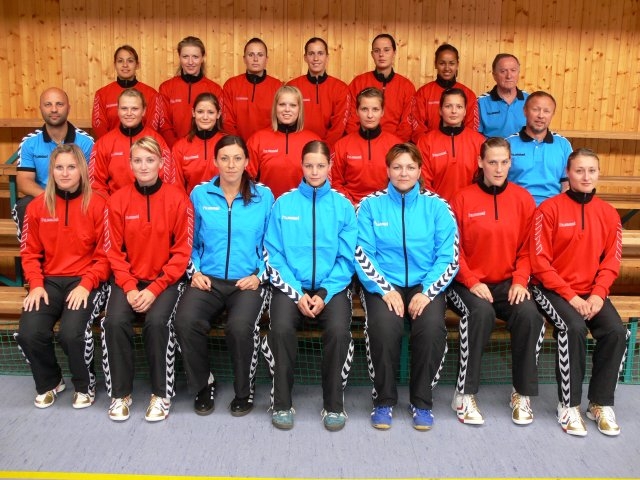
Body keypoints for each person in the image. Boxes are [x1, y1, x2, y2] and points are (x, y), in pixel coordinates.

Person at [355, 143, 459, 431]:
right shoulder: (369, 206)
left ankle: (422, 402)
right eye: (397, 167)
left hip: (425, 284)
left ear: (420, 170)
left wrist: (427, 292)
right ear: (387, 170)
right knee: (383, 327)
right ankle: (384, 400)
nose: (404, 173)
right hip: (383, 283)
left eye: (410, 167)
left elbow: (448, 256)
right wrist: (384, 289)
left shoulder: (438, 206)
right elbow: (362, 252)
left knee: (431, 329)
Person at [174, 136, 274, 417]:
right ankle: (203, 384)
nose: (231, 165)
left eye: (237, 158)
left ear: (247, 162)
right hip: (208, 279)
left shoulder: (264, 196)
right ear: (215, 161)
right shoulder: (200, 194)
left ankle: (244, 391)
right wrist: (194, 272)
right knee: (185, 321)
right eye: (225, 158)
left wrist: (259, 275)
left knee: (240, 327)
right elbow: (188, 241)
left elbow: (274, 243)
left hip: (248, 281)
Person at [530, 148, 627, 437]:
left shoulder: (609, 214)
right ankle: (568, 405)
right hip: (552, 290)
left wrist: (598, 294)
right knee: (572, 327)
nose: (586, 177)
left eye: (591, 171)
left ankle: (600, 403)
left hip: (591, 292)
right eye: (579, 170)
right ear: (568, 174)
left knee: (616, 332)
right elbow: (540, 262)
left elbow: (611, 261)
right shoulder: (548, 209)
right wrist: (571, 296)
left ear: (599, 174)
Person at [447, 137, 544, 426]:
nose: (498, 168)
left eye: (504, 162)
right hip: (467, 283)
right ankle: (464, 394)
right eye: (492, 162)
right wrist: (471, 280)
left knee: (529, 315)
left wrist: (520, 281)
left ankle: (521, 394)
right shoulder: (462, 198)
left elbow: (528, 248)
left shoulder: (523, 199)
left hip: (508, 283)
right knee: (481, 313)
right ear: (480, 163)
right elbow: (453, 248)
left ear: (510, 163)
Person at [262, 140, 357, 431]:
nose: (314, 171)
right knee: (280, 329)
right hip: (292, 287)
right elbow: (273, 253)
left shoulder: (343, 206)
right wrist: (296, 292)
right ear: (301, 166)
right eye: (309, 165)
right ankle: (281, 402)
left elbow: (347, 258)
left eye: (320, 165)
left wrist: (325, 293)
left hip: (332, 288)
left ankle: (334, 405)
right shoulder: (284, 204)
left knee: (339, 332)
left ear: (330, 166)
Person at [102, 137, 192, 422]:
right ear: (129, 164)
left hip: (165, 281)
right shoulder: (117, 200)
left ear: (161, 164)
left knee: (156, 323)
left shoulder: (178, 199)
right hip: (129, 280)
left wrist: (154, 289)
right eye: (138, 160)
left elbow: (182, 252)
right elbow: (113, 251)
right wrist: (129, 287)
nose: (144, 166)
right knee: (114, 321)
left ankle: (161, 394)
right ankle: (121, 394)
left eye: (150, 160)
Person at [15, 144, 109, 409]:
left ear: (82, 170)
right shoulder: (37, 207)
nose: (65, 173)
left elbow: (106, 255)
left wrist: (87, 284)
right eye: (59, 167)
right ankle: (51, 382)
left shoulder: (98, 204)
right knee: (29, 332)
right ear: (51, 171)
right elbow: (29, 252)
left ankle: (84, 385)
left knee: (71, 333)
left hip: (87, 280)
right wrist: (35, 284)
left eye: (71, 167)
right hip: (49, 281)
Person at [15, 88, 94, 234]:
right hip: (44, 196)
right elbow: (24, 181)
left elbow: (92, 180)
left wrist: (70, 199)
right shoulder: (29, 142)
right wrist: (52, 198)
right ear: (40, 108)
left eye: (59, 104)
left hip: (77, 196)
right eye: (48, 104)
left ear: (68, 108)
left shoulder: (86, 142)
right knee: (23, 206)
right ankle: (31, 249)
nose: (54, 109)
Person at [89, 88, 174, 196]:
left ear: (143, 111)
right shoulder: (103, 143)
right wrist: (111, 204)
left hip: (152, 202)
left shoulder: (157, 141)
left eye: (134, 109)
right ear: (118, 110)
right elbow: (96, 184)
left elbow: (167, 180)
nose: (129, 113)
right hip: (116, 204)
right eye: (124, 108)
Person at [331, 87, 402, 204]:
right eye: (364, 109)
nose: (370, 115)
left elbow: (401, 181)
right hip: (351, 205)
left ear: (382, 112)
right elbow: (336, 182)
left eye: (375, 109)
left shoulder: (396, 145)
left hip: (385, 204)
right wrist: (351, 204)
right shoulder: (341, 145)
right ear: (356, 111)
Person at [246, 85, 320, 198]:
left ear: (299, 109)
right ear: (275, 107)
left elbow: (322, 182)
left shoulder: (313, 141)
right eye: (282, 104)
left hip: (303, 205)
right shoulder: (257, 140)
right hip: (267, 205)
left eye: (293, 105)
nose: (287, 109)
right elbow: (246, 179)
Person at [417, 88, 485, 202]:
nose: (454, 111)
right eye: (448, 106)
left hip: (470, 206)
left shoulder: (479, 141)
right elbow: (424, 182)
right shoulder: (425, 142)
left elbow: (483, 179)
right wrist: (438, 206)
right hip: (436, 206)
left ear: (465, 111)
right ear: (440, 110)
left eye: (459, 107)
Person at [506, 91, 572, 206]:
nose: (541, 115)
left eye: (546, 111)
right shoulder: (508, 144)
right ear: (525, 111)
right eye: (536, 109)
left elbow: (566, 185)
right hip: (516, 206)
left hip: (552, 208)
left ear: (552, 114)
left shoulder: (563, 144)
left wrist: (560, 209)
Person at [346, 34, 415, 142]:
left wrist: (394, 145)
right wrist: (360, 142)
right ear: (372, 54)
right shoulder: (358, 82)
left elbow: (407, 125)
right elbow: (350, 120)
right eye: (377, 51)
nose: (381, 54)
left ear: (394, 53)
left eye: (386, 50)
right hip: (361, 142)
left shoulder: (406, 86)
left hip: (395, 146)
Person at [157, 36, 224, 147]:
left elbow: (219, 124)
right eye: (185, 57)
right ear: (179, 57)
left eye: (195, 57)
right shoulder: (166, 88)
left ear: (202, 58)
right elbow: (164, 124)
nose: (190, 62)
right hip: (174, 148)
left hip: (205, 149)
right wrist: (178, 148)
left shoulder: (215, 89)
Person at [286, 37, 349, 147]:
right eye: (311, 54)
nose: (316, 58)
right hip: (298, 146)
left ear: (327, 57)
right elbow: (288, 121)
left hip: (329, 148)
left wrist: (324, 148)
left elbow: (338, 126)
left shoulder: (340, 88)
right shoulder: (292, 86)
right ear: (305, 58)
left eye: (320, 53)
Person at [412, 43, 478, 142]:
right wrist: (429, 144)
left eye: (451, 63)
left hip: (461, 146)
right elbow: (418, 128)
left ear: (457, 65)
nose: (447, 68)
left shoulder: (469, 94)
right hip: (430, 146)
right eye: (442, 63)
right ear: (435, 64)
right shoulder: (423, 93)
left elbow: (471, 128)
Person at [91, 45, 160, 139]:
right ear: (115, 64)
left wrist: (141, 145)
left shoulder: (152, 94)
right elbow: (99, 127)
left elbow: (152, 127)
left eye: (130, 61)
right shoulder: (102, 94)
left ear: (137, 65)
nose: (125, 65)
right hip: (112, 146)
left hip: (142, 146)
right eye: (120, 61)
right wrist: (113, 144)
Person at [223, 38, 282, 141]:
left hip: (269, 145)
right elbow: (227, 122)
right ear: (244, 59)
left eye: (260, 55)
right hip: (237, 146)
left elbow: (280, 121)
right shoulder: (231, 85)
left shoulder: (277, 86)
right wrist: (237, 145)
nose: (255, 59)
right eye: (251, 55)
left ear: (266, 59)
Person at [172, 92, 226, 194]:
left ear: (218, 114)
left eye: (211, 112)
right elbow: (176, 187)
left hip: (223, 202)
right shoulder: (180, 147)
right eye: (200, 112)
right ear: (193, 113)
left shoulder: (229, 144)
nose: (205, 117)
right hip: (191, 202)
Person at [478, 54, 528, 138]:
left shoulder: (530, 100)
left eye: (513, 70)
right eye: (503, 71)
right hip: (491, 146)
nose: (509, 76)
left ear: (518, 73)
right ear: (494, 75)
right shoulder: (480, 102)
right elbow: (475, 136)